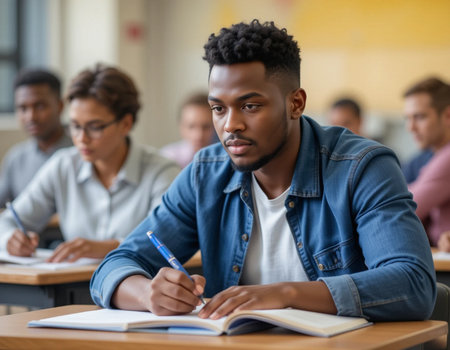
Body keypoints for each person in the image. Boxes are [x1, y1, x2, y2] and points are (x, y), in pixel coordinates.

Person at [90, 20, 435, 322]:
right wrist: (148, 293)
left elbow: (413, 284)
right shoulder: (205, 174)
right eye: (218, 108)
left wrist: (285, 294)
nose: (230, 125)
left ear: (295, 103)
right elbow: (114, 266)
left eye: (250, 106)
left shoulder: (361, 167)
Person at [0, 64, 179, 262]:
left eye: (94, 127)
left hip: (141, 286)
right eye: (75, 126)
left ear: (126, 124)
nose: (81, 138)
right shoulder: (63, 165)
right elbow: (7, 221)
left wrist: (107, 247)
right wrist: (11, 238)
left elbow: (168, 240)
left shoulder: (162, 172)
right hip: (72, 286)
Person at [0, 69, 72, 208]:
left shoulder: (83, 153)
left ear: (60, 106)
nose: (31, 117)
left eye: (39, 106)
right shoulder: (16, 158)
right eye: (23, 108)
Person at [403, 77, 450, 247]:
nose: (411, 127)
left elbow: (403, 208)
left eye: (420, 117)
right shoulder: (430, 157)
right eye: (407, 118)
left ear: (447, 115)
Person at [160, 92, 215, 168]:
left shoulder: (226, 157)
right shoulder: (167, 158)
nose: (199, 135)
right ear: (181, 127)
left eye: (206, 127)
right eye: (191, 126)